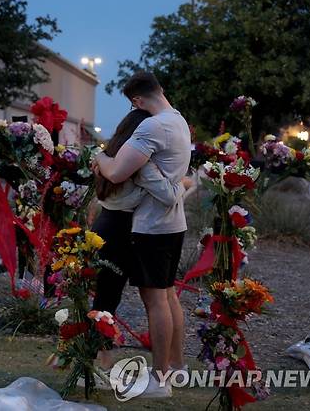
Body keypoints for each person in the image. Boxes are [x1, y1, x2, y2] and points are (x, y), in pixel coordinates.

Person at [94, 71, 192, 398]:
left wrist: (101, 157)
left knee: (155, 299)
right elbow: (174, 184)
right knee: (165, 295)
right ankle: (174, 369)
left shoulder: (152, 125)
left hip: (152, 225)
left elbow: (118, 171)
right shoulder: (178, 121)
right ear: (160, 89)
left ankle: (161, 379)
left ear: (136, 100)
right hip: (171, 224)